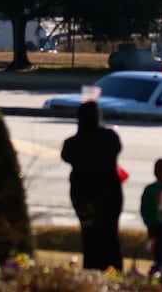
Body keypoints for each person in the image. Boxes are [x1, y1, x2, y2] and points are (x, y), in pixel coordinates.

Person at [61, 100, 125, 272]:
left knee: (89, 237)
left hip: (83, 194)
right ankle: (113, 271)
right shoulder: (109, 138)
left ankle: (92, 270)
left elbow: (66, 156)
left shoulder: (72, 143)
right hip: (109, 194)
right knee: (110, 235)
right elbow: (117, 148)